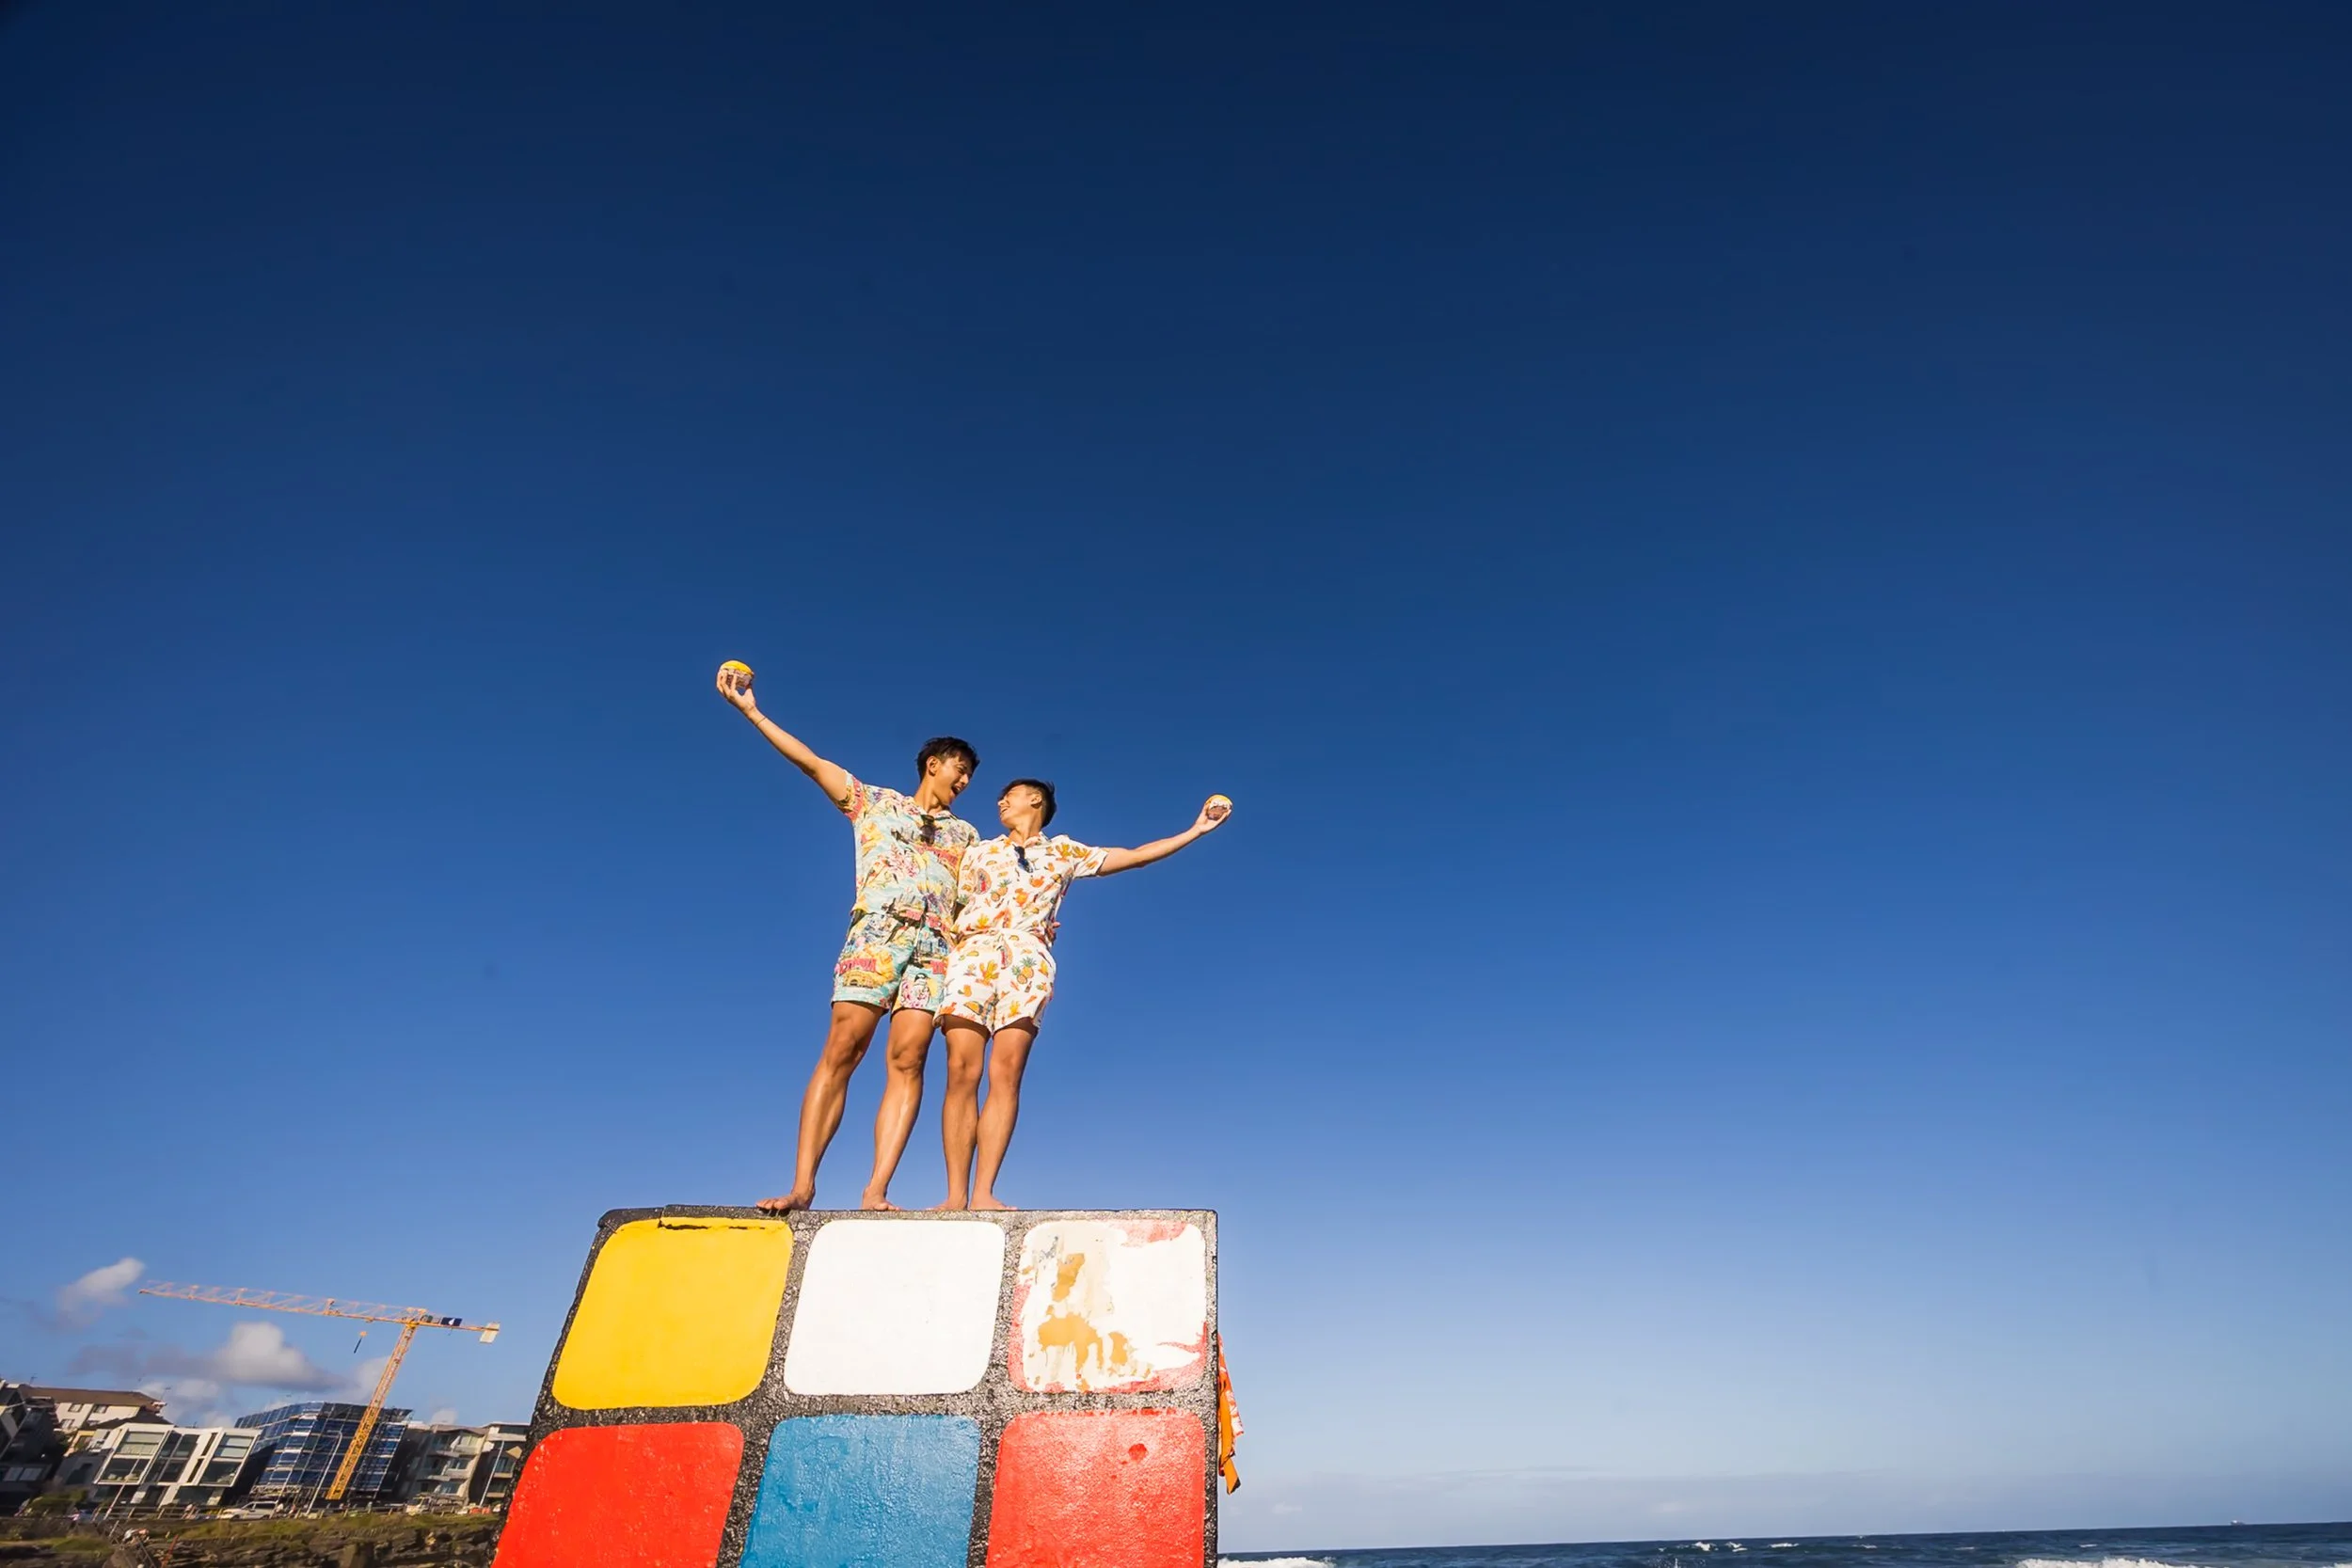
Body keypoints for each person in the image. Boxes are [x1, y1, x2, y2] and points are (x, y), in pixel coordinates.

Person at [716, 660, 979, 1212]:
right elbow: (811, 763)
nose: (964, 781)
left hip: (936, 949)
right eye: (959, 769)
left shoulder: (967, 834)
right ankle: (803, 1185)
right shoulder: (873, 802)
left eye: (970, 777)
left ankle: (877, 1190)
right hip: (879, 935)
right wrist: (752, 712)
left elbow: (988, 887)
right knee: (844, 1048)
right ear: (933, 765)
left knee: (909, 1060)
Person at [936, 779, 1230, 1210]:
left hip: (1027, 958)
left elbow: (1134, 857)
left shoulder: (1064, 851)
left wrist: (1194, 830)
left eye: (1010, 794)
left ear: (1035, 800)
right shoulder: (976, 850)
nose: (1000, 800)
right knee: (962, 1070)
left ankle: (983, 1194)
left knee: (1007, 1070)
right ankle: (954, 1196)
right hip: (972, 952)